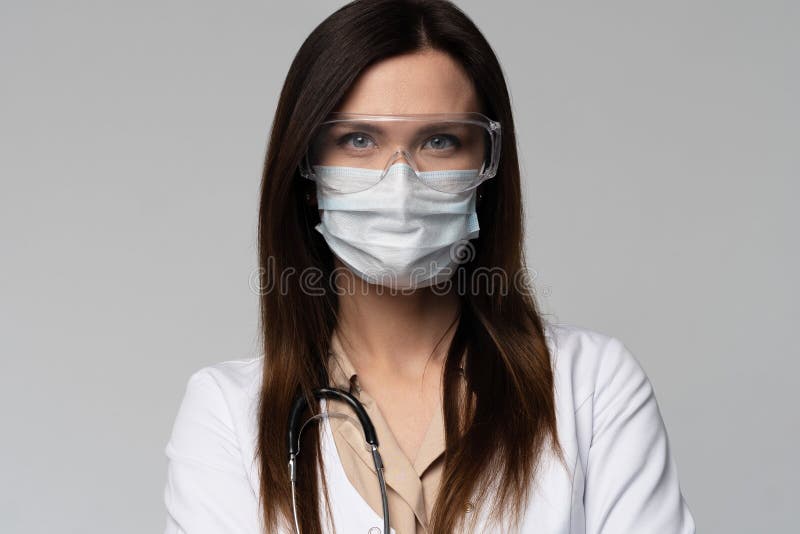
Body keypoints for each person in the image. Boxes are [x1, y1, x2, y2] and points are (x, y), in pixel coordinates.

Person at [163, 0, 696, 532]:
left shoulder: (592, 386)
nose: (401, 183)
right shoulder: (227, 416)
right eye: (359, 140)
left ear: (485, 168)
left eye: (440, 141)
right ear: (306, 172)